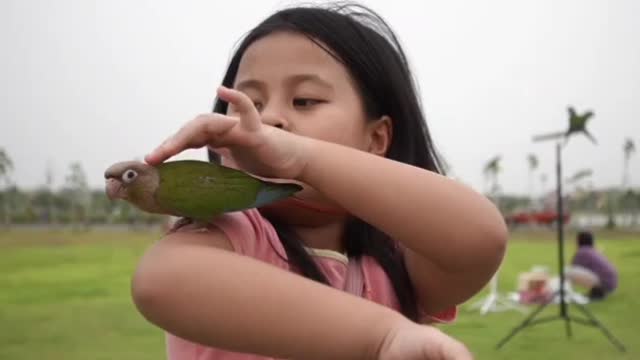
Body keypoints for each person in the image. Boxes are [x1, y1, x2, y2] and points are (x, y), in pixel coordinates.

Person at [134, 3, 508, 359]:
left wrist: (302, 156)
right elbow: (162, 282)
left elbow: (480, 238)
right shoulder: (230, 235)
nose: (270, 119)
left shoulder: (398, 264)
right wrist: (384, 337)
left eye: (305, 100)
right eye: (251, 102)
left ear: (377, 138)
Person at [566, 230, 618, 301]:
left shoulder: (583, 251)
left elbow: (573, 266)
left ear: (580, 240)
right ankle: (596, 291)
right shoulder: (592, 250)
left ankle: (565, 293)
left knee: (568, 272)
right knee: (572, 271)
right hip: (611, 282)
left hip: (604, 283)